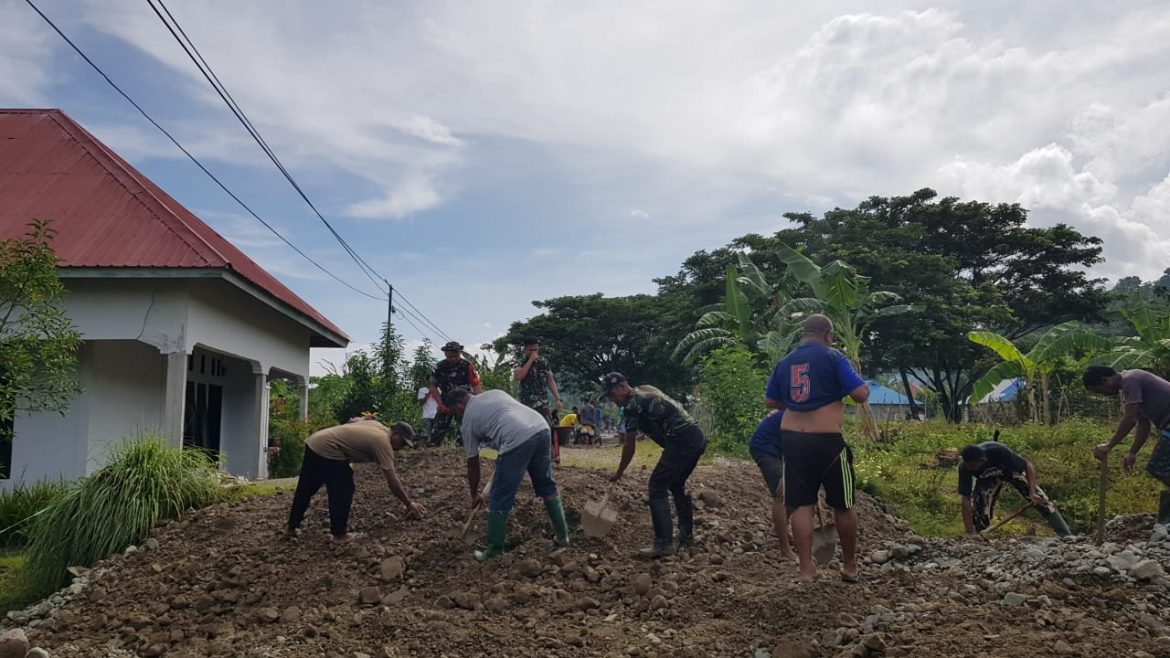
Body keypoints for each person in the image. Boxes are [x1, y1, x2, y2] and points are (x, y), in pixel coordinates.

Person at [766, 314, 868, 583]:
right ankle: (849, 566)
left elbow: (771, 401)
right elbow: (860, 395)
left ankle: (806, 568)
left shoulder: (785, 361)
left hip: (793, 442)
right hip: (827, 443)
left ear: (804, 333)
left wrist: (797, 402)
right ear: (828, 335)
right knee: (843, 504)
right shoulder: (833, 357)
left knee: (801, 504)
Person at [445, 389, 570, 560]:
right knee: (546, 485)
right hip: (541, 428)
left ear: (459, 404)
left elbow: (473, 463)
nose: (455, 416)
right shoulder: (492, 393)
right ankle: (563, 537)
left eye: (454, 411)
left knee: (499, 496)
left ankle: (493, 552)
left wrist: (474, 494)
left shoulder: (468, 420)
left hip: (516, 438)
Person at [604, 372, 707, 558]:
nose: (613, 400)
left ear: (622, 387)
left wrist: (619, 472)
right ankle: (686, 536)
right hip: (696, 437)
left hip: (682, 440)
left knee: (657, 485)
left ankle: (664, 543)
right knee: (676, 484)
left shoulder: (632, 406)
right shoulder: (645, 389)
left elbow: (629, 445)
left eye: (612, 394)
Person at [285, 418, 426, 543]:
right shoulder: (382, 442)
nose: (401, 447)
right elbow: (392, 481)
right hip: (329, 448)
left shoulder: (376, 424)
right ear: (396, 434)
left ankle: (291, 529)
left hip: (315, 441)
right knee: (344, 488)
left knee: (306, 488)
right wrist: (409, 503)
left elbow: (353, 421)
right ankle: (339, 535)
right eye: (402, 442)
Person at [1084, 365, 1170, 536]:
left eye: (1100, 391)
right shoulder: (1132, 385)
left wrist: (1109, 446)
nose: (1105, 395)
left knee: (1157, 466)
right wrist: (1132, 452)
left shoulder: (1131, 380)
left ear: (1104, 380)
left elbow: (1130, 418)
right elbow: (1142, 423)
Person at [958, 442, 1071, 537]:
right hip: (986, 479)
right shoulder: (965, 468)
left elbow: (1028, 466)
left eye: (972, 466)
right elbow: (966, 499)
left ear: (982, 460)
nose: (969, 469)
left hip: (1009, 472)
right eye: (967, 466)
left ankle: (1066, 535)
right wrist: (969, 532)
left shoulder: (999, 452)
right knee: (980, 509)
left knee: (1040, 499)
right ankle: (979, 537)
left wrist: (1032, 492)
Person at [749, 409, 796, 560]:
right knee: (782, 493)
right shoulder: (796, 414)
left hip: (780, 449)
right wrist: (785, 474)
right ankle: (785, 550)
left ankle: (778, 530)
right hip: (765, 448)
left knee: (798, 491)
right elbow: (791, 444)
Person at [427, 341, 482, 447]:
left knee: (466, 430)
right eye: (450, 356)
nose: (453, 358)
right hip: (446, 401)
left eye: (455, 356)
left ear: (460, 353)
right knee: (437, 431)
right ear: (445, 354)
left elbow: (475, 385)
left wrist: (478, 403)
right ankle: (432, 449)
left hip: (464, 402)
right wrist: (440, 404)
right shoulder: (439, 367)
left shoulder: (468, 366)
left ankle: (465, 450)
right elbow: (432, 386)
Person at [513, 337, 564, 425]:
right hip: (527, 403)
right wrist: (530, 361)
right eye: (530, 350)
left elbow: (550, 380)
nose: (533, 352)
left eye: (535, 350)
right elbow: (519, 376)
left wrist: (558, 399)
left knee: (547, 427)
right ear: (524, 350)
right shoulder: (519, 362)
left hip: (542, 402)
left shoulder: (544, 362)